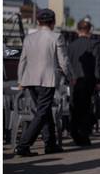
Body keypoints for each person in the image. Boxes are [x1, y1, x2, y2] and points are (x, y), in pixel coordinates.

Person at [14, 8, 70, 156]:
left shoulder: (29, 38)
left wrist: (21, 80)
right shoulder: (56, 37)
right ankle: (23, 145)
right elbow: (63, 62)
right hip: (47, 79)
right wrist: (69, 76)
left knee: (44, 112)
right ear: (53, 22)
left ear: (38, 21)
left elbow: (22, 61)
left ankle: (50, 144)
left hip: (30, 80)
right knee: (42, 112)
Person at [67, 18, 100, 146]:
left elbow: (67, 65)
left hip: (74, 82)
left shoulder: (70, 46)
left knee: (74, 107)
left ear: (77, 30)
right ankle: (84, 134)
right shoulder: (94, 44)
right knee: (87, 108)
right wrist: (99, 82)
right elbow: (97, 65)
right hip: (89, 81)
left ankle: (74, 133)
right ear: (90, 30)